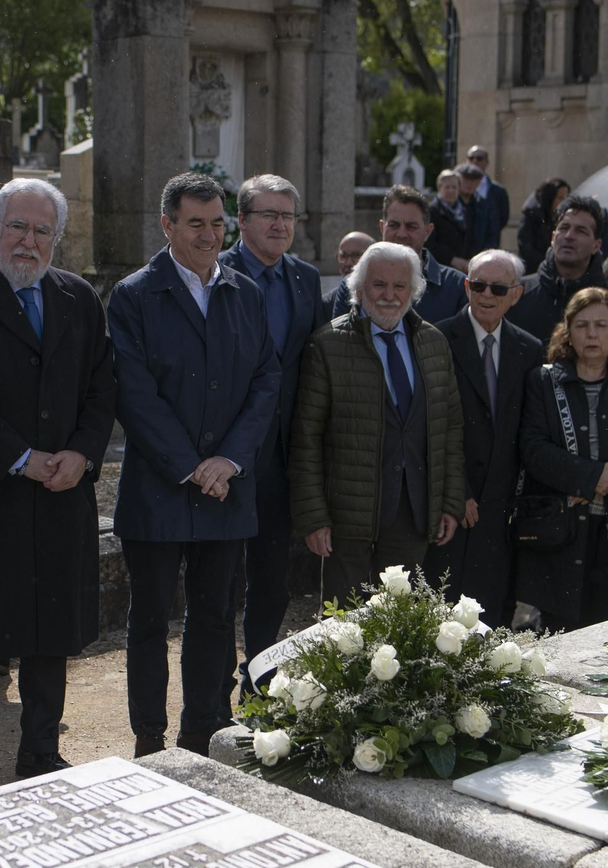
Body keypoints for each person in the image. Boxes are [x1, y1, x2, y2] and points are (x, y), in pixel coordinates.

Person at [0, 179, 116, 798]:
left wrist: (82, 453)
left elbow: (101, 385)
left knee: (49, 635)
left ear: (56, 239)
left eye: (41, 231)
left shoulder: (79, 298)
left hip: (61, 496)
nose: (28, 242)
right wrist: (21, 458)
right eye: (17, 227)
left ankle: (39, 752)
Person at [108, 172, 279, 757]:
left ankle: (203, 726)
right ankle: (149, 736)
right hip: (159, 488)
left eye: (217, 224)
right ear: (168, 225)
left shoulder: (245, 292)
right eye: (195, 223)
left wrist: (228, 459)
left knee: (213, 615)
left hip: (226, 489)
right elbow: (133, 392)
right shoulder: (134, 295)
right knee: (150, 620)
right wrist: (190, 465)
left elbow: (265, 380)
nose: (209, 236)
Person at [291, 241, 463, 606]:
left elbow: (450, 430)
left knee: (402, 627)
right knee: (343, 629)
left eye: (399, 286)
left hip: (412, 511)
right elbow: (306, 437)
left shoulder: (434, 342)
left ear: (413, 291)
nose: (389, 295)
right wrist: (313, 517)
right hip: (346, 517)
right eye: (379, 285)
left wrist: (450, 502)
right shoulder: (327, 344)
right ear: (359, 288)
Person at [218, 174, 326, 693]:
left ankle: (257, 677)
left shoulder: (306, 279)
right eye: (269, 215)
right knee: (218, 578)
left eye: (288, 216)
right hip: (225, 450)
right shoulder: (215, 273)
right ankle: (212, 683)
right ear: (242, 221)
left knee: (271, 578)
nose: (281, 225)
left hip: (283, 455)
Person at [514, 288, 608, 632]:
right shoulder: (543, 380)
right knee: (564, 631)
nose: (592, 334)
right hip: (564, 530)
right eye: (582, 325)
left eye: (601, 324)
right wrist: (589, 477)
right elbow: (533, 446)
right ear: (568, 331)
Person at [422, 249, 540, 622]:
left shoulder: (529, 349)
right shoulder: (435, 339)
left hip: (502, 508)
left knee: (491, 616)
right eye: (478, 285)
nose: (487, 295)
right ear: (466, 286)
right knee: (441, 614)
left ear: (516, 295)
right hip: (448, 504)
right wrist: (458, 493)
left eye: (498, 288)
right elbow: (429, 426)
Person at [329, 186, 466, 323]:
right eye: (393, 225)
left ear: (427, 232)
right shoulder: (353, 284)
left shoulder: (456, 286)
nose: (401, 234)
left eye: (411, 226)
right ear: (382, 228)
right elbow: (340, 340)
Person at [510, 194, 606, 341]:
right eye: (564, 228)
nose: (569, 236)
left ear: (596, 245)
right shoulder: (518, 294)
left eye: (580, 231)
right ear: (553, 238)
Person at [517, 178, 570, 275]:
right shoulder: (531, 214)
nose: (564, 202)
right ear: (550, 198)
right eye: (560, 198)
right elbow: (526, 247)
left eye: (566, 198)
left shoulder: (561, 216)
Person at [465, 145, 511, 245]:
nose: (475, 161)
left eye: (479, 158)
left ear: (486, 162)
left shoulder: (499, 190)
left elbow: (503, 218)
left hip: (490, 245)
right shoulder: (459, 188)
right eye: (471, 158)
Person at [428, 170, 469, 270]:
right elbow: (429, 243)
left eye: (454, 187)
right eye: (447, 187)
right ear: (439, 188)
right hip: (441, 266)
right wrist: (451, 259)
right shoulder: (431, 211)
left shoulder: (465, 210)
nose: (451, 191)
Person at [456, 163, 499, 256]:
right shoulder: (448, 205)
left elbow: (492, 234)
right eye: (466, 179)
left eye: (474, 180)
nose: (470, 183)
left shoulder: (484, 205)